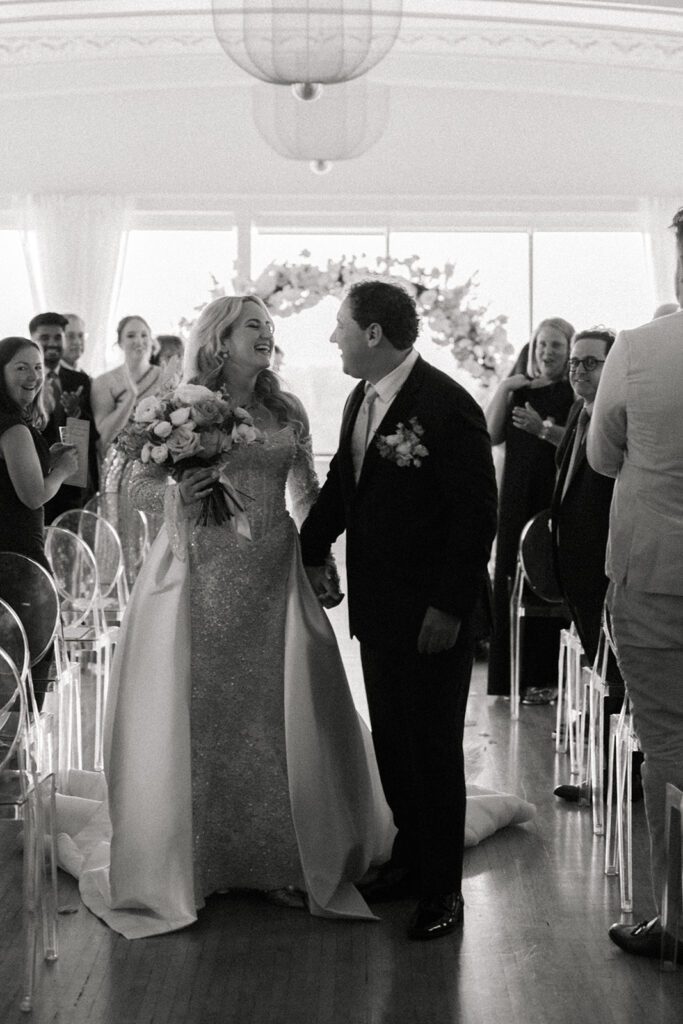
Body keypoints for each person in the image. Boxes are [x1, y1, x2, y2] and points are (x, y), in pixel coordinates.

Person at [300, 280, 499, 941]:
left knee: (434, 752)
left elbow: (477, 516)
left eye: (340, 327)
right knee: (394, 744)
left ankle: (442, 892)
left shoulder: (446, 406)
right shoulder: (363, 396)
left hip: (429, 618)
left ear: (374, 335)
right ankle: (411, 864)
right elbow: (344, 484)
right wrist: (310, 543)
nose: (334, 338)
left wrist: (448, 606)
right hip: (379, 612)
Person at [588, 206, 683, 964]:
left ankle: (677, 920)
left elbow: (599, 456)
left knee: (671, 745)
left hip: (655, 575)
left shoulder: (642, 347)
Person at [548, 327, 635, 802]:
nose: (578, 370)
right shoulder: (575, 412)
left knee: (618, 678)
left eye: (590, 362)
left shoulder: (619, 420)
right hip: (575, 572)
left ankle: (624, 780)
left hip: (605, 571)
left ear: (614, 367)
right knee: (600, 677)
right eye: (575, 362)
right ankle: (602, 776)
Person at [485, 317, 575, 703]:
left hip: (550, 503)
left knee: (546, 590)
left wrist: (542, 428)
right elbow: (490, 435)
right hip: (515, 502)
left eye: (556, 345)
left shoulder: (575, 395)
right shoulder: (519, 391)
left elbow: (578, 447)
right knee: (509, 582)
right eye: (541, 344)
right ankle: (509, 681)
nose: (547, 352)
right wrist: (506, 386)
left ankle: (546, 680)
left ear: (569, 350)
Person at [0, 336, 79, 572]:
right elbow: (34, 496)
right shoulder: (13, 428)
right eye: (21, 368)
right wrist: (62, 471)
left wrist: (47, 458)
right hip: (18, 552)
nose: (34, 377)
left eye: (37, 367)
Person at [29, 311, 97, 522]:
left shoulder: (80, 380)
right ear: (32, 340)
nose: (52, 343)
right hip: (37, 481)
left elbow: (93, 435)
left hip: (74, 485)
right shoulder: (25, 380)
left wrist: (75, 413)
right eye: (44, 338)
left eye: (58, 337)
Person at [91, 315, 162, 458]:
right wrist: (129, 398)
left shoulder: (165, 376)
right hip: (118, 460)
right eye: (131, 336)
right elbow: (105, 436)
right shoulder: (104, 382)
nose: (139, 341)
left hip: (158, 457)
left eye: (144, 335)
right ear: (120, 343)